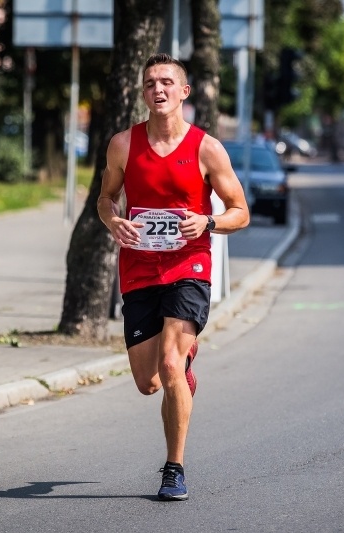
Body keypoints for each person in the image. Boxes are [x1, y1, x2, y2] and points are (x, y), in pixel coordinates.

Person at [98, 54, 250, 501]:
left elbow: (240, 213)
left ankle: (173, 468)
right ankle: (182, 366)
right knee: (149, 383)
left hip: (189, 267)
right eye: (150, 83)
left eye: (167, 82)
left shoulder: (206, 148)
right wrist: (113, 222)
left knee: (168, 364)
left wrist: (207, 223)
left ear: (184, 92)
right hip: (140, 268)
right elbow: (106, 199)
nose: (158, 89)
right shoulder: (123, 144)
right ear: (143, 94)